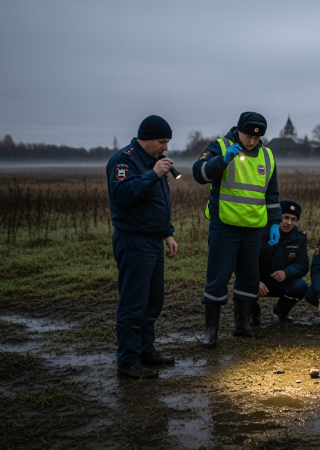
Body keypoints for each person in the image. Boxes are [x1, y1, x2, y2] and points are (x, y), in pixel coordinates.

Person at [192, 112, 281, 348]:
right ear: (238, 130)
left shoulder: (267, 155)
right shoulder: (220, 146)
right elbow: (198, 174)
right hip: (225, 225)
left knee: (249, 277)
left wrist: (275, 223)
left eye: (257, 137)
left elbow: (271, 194)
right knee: (218, 277)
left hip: (254, 228)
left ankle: (242, 326)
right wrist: (221, 161)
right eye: (247, 136)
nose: (252, 141)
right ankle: (211, 332)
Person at [107, 115, 178, 379]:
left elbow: (157, 203)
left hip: (153, 240)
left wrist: (167, 234)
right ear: (145, 138)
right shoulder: (124, 161)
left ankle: (145, 350)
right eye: (162, 141)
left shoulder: (151, 163)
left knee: (152, 302)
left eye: (168, 142)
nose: (165, 148)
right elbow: (122, 195)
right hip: (133, 241)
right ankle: (127, 361)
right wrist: (153, 174)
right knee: (133, 304)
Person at [253, 199, 309, 324]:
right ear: (278, 216)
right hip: (259, 280)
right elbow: (247, 261)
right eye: (285, 217)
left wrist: (286, 272)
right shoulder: (260, 231)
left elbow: (303, 264)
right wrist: (256, 280)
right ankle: (253, 313)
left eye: (293, 219)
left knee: (301, 286)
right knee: (242, 285)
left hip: (282, 280)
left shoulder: (300, 237)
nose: (289, 223)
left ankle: (281, 310)